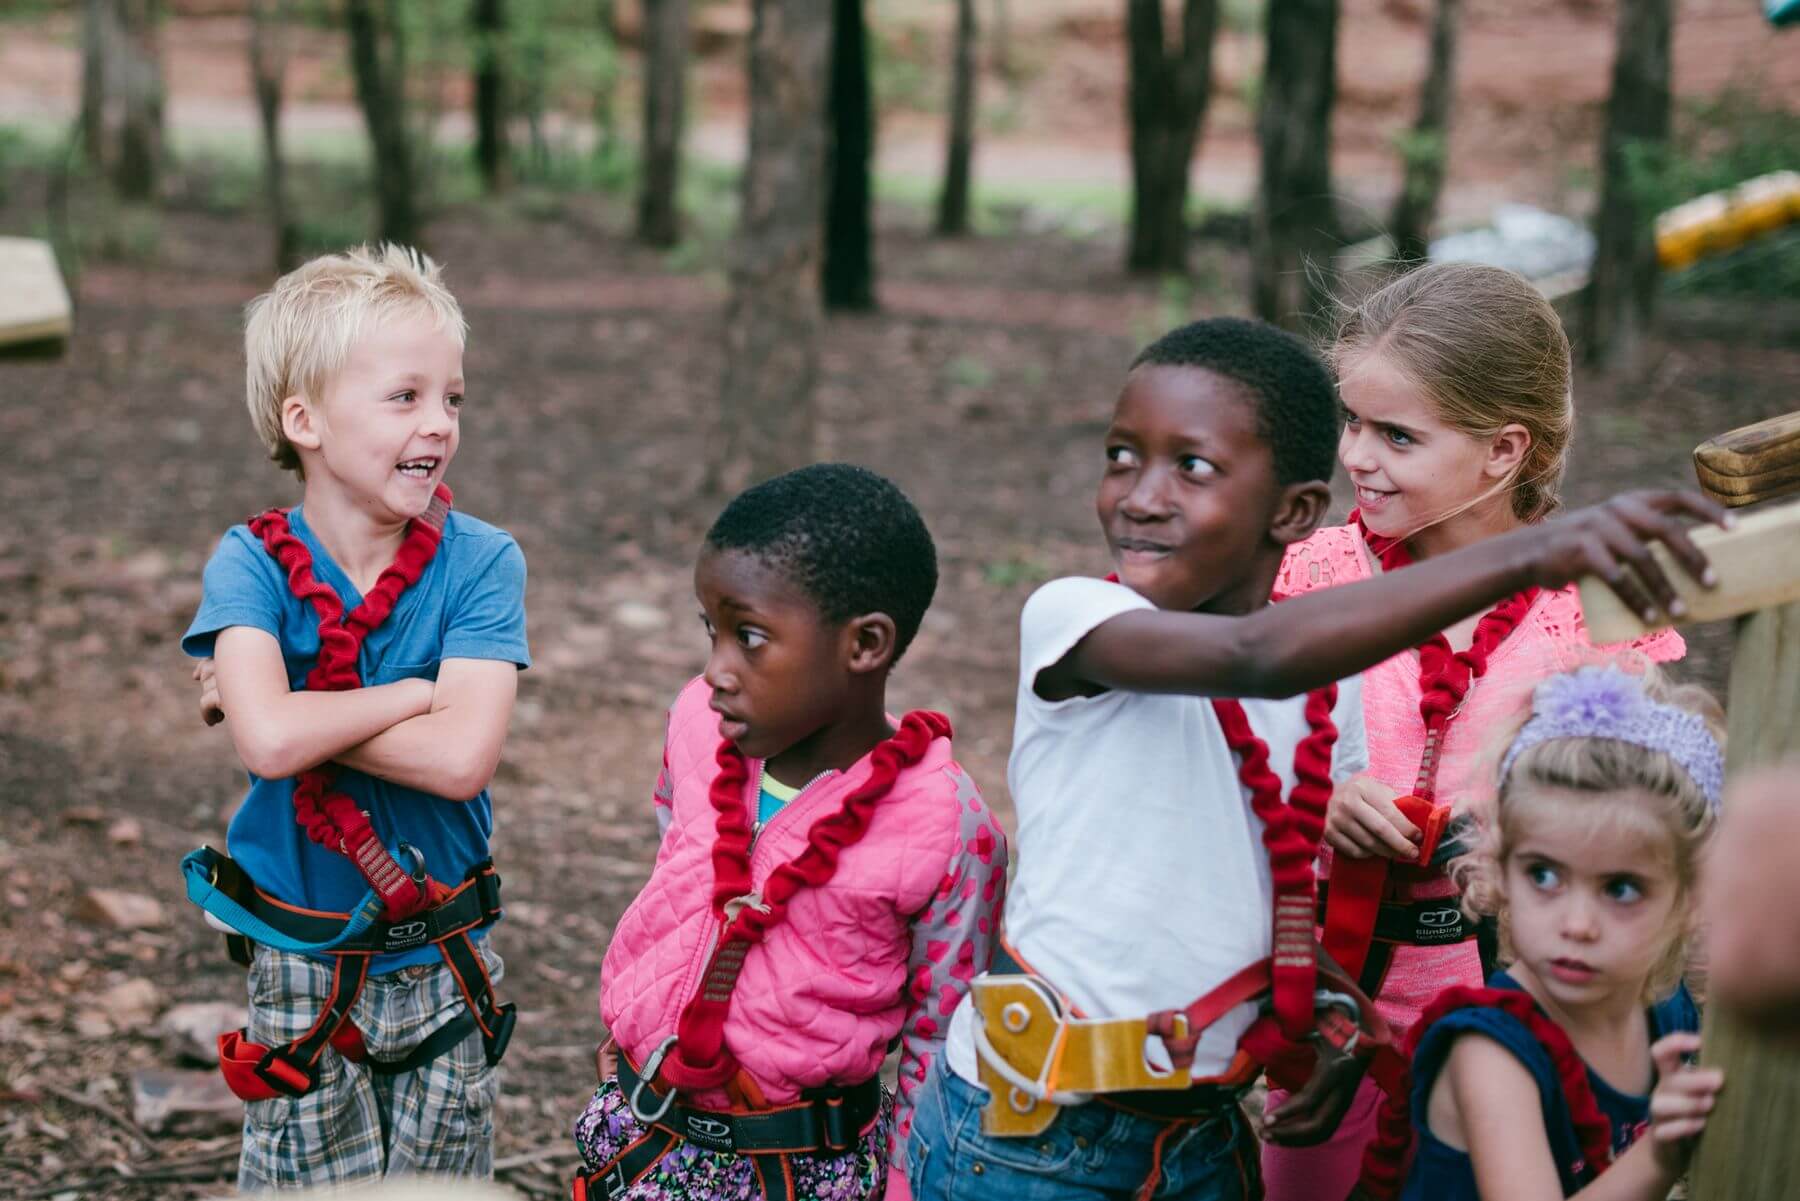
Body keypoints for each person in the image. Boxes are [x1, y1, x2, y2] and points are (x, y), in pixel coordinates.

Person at [905, 317, 1723, 1201]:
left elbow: (1247, 886)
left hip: (1201, 1138)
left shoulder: (1315, 694)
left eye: (1192, 467)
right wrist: (1532, 553)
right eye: (1121, 457)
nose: (1140, 496)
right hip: (1030, 1138)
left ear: (1292, 512)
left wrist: (1335, 1015)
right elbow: (1255, 652)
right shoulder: (1077, 622)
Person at [1266, 263, 1690, 1197]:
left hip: (1513, 1022)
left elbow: (1636, 820)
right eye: (1351, 421)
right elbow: (1235, 762)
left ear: (1503, 450)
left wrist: (1506, 830)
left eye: (1397, 435)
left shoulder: (1592, 616)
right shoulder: (1306, 578)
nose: (1356, 456)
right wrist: (1317, 799)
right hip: (1327, 1009)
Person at [182, 244, 529, 1190]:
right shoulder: (250, 562)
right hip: (301, 959)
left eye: (452, 398)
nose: (439, 423)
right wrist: (417, 693)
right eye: (404, 396)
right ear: (305, 421)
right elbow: (268, 742)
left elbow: (460, 758)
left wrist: (296, 706)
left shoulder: (482, 561)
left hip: (443, 958)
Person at [572, 463, 1008, 1201]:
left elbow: (942, 1037)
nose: (716, 670)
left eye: (749, 637)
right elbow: (675, 857)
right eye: (710, 632)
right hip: (642, 1137)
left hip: (799, 1168)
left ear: (865, 645)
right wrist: (646, 1018)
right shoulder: (696, 722)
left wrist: (908, 1185)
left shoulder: (946, 825)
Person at [1353, 663, 1727, 1201]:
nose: (1576, 925)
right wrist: (1660, 1155)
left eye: (1621, 888)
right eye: (1545, 876)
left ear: (1689, 899)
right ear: (1498, 872)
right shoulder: (1492, 1053)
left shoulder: (1666, 1013)